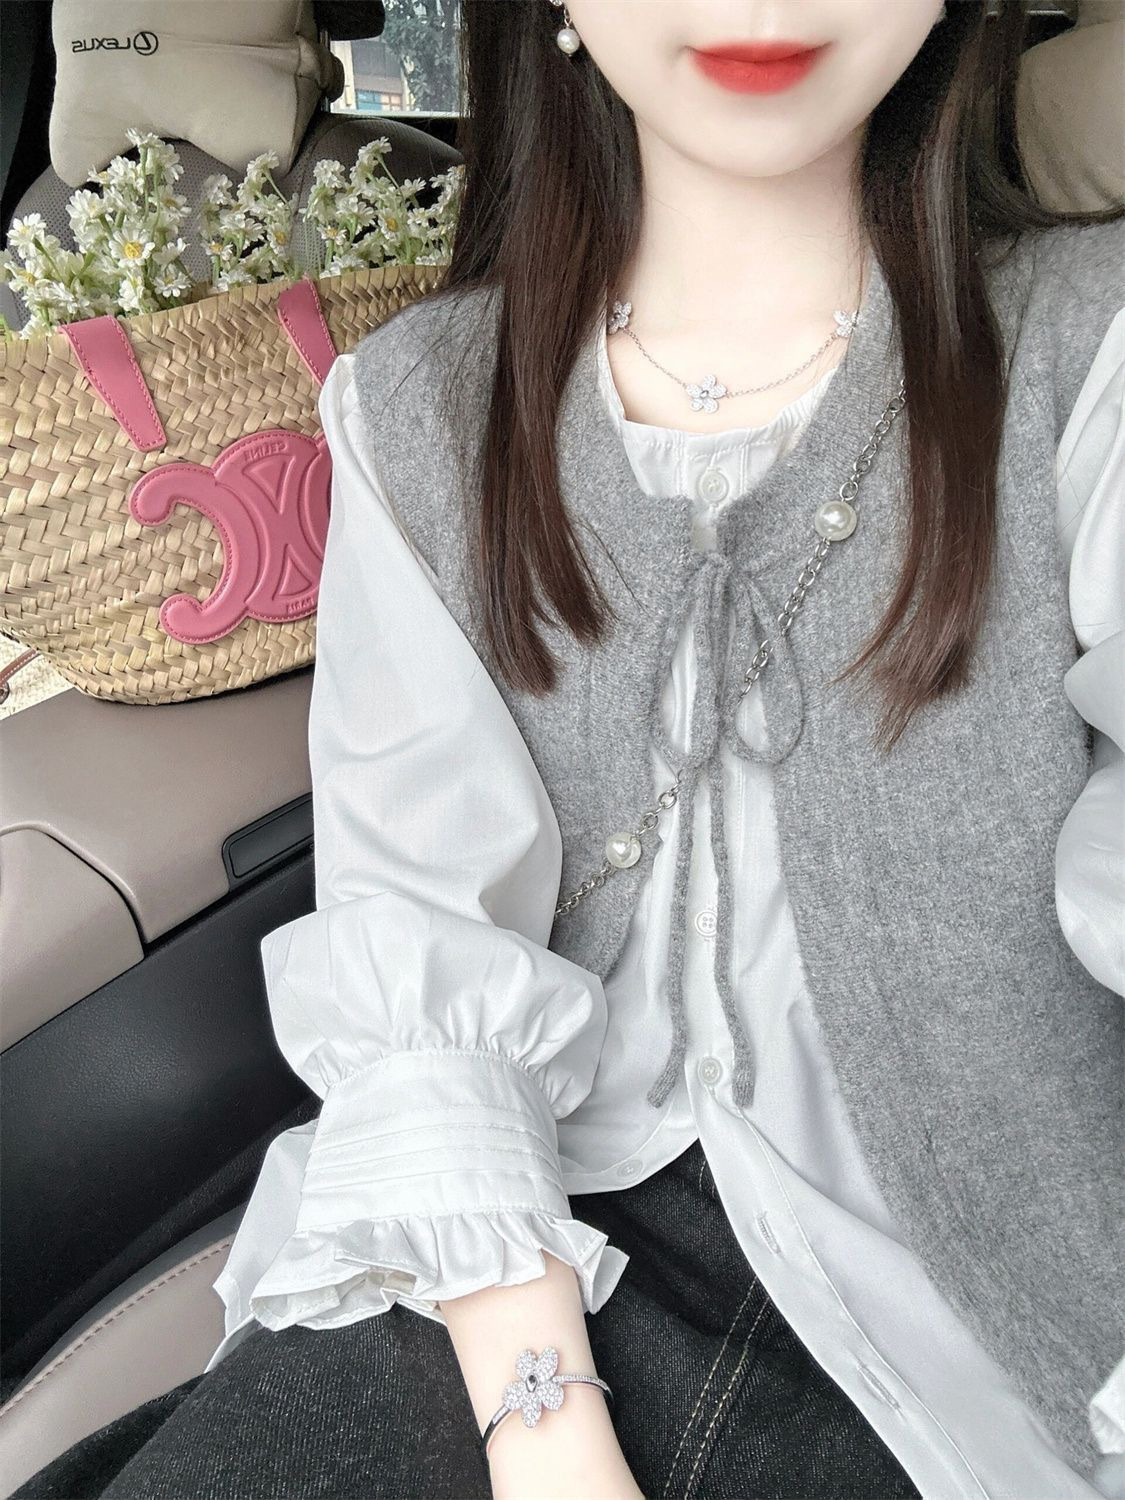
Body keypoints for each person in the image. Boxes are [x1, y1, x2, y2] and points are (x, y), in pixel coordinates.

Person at [18, 1, 1123, 1496]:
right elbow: (419, 919)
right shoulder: (422, 408)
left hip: (986, 1289)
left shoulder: (1088, 350)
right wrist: (546, 1433)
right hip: (528, 1235)